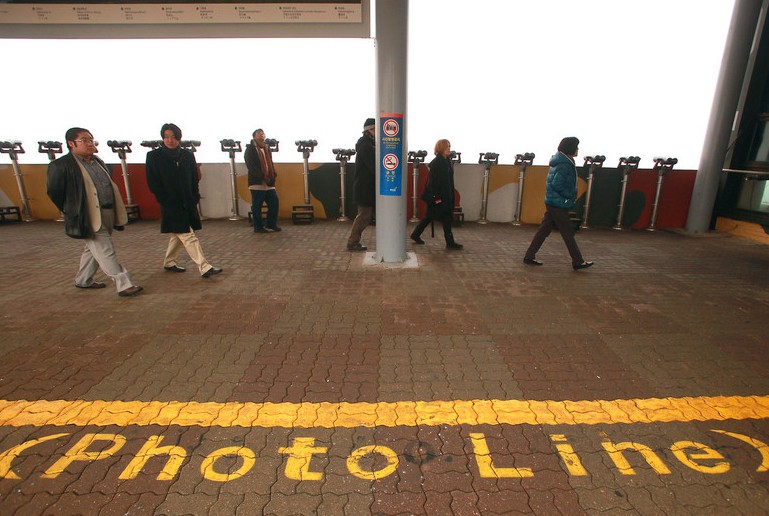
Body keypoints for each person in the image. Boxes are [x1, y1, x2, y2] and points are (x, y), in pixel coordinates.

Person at [46, 127, 143, 297]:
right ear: (71, 143)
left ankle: (83, 280)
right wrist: (71, 209)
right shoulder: (61, 165)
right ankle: (124, 283)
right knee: (105, 248)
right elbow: (55, 192)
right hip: (87, 214)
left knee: (93, 248)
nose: (90, 143)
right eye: (84, 140)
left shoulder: (97, 161)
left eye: (91, 140)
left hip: (106, 211)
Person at [146, 123, 223, 278]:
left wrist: (194, 196)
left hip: (187, 200)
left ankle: (169, 262)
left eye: (173, 137)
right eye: (166, 137)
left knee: (178, 233)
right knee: (187, 234)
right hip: (170, 202)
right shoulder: (154, 156)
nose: (170, 140)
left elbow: (194, 177)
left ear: (179, 138)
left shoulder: (187, 155)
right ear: (162, 138)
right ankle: (204, 266)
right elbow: (152, 181)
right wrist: (164, 199)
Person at [523, 136, 593, 270]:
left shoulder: (561, 160)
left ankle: (529, 256)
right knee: (568, 233)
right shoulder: (565, 164)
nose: (578, 149)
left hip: (553, 201)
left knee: (543, 230)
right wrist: (569, 196)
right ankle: (578, 261)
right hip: (558, 203)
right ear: (571, 148)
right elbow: (557, 184)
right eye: (576, 147)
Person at [410, 139, 463, 250]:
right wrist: (437, 199)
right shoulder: (438, 163)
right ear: (441, 148)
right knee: (442, 218)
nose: (449, 148)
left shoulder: (446, 161)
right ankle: (450, 242)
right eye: (446, 146)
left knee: (432, 217)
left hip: (444, 196)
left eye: (449, 146)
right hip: (439, 197)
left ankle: (415, 235)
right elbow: (433, 183)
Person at [347, 118, 376, 251]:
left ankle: (353, 241)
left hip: (365, 186)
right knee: (364, 215)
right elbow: (373, 167)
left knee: (365, 215)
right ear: (371, 130)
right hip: (365, 187)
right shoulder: (367, 146)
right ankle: (353, 242)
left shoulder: (367, 144)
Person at [244, 128, 281, 233]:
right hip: (257, 182)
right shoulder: (250, 149)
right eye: (259, 133)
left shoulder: (266, 148)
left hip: (269, 183)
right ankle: (258, 227)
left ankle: (271, 224)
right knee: (257, 206)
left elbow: (270, 162)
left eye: (263, 133)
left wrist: (273, 174)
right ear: (254, 137)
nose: (262, 135)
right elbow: (251, 165)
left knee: (274, 203)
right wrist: (262, 176)